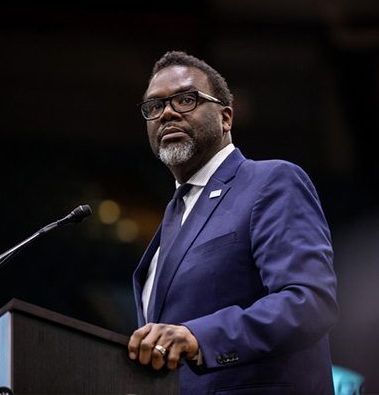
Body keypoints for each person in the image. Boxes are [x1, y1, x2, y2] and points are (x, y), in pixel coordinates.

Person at [127, 50, 339, 395]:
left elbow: (309, 303)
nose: (166, 113)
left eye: (185, 99)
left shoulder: (271, 181)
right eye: (154, 106)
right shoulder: (172, 217)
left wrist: (199, 337)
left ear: (226, 117)